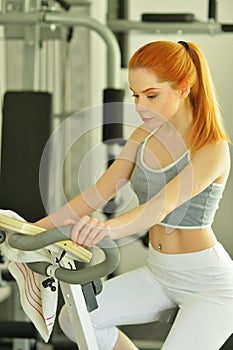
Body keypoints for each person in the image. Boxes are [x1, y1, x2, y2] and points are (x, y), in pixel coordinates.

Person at [36, 40, 233, 350]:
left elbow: (162, 205)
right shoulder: (142, 137)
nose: (140, 107)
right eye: (136, 95)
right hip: (159, 272)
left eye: (152, 96)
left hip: (208, 284)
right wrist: (34, 229)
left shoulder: (212, 148)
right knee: (74, 320)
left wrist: (106, 229)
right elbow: (96, 193)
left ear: (184, 87)